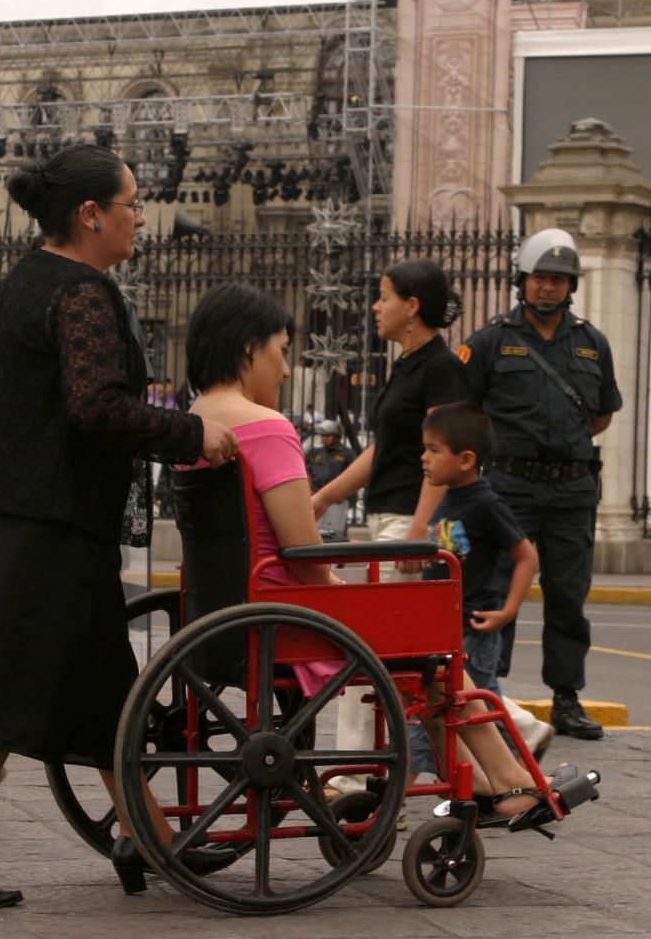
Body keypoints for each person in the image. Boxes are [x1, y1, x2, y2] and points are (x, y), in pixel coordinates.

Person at [0, 145, 240, 910]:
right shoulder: (82, 291)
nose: (142, 218)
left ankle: (146, 834)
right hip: (44, 522)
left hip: (20, 513)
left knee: (102, 693)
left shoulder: (25, 280)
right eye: (132, 204)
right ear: (91, 214)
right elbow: (97, 407)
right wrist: (192, 432)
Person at [186, 284, 544, 820]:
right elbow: (302, 551)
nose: (285, 371)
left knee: (411, 643)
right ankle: (510, 779)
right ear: (248, 349)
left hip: (226, 609)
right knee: (430, 646)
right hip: (287, 613)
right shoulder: (267, 427)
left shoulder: (195, 422)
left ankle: (499, 777)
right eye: (282, 352)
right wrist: (344, 591)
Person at [461, 228, 621, 741]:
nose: (548, 288)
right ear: (522, 281)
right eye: (540, 278)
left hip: (572, 491)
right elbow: (464, 413)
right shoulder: (488, 342)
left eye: (558, 279)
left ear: (570, 285)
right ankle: (493, 692)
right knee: (497, 588)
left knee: (568, 594)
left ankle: (566, 699)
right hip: (510, 487)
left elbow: (600, 416)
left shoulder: (592, 343)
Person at [408, 403, 538, 789]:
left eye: (433, 449)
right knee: (481, 713)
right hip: (446, 627)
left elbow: (526, 555)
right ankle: (514, 781)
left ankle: (396, 791)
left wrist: (508, 611)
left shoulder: (485, 503)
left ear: (466, 459)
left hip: (473, 629)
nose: (424, 458)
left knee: (446, 711)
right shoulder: (445, 499)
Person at [304, 419, 356, 538]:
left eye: (327, 435)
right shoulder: (315, 452)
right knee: (315, 535)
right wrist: (309, 489)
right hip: (317, 498)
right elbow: (306, 471)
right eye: (322, 435)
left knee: (335, 535)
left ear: (336, 437)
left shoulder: (347, 454)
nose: (324, 438)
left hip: (336, 500)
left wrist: (343, 494)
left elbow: (351, 477)